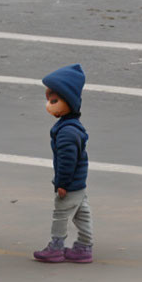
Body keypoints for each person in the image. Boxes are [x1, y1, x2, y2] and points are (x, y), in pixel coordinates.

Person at [33, 63, 94, 263]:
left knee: (60, 214)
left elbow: (66, 161)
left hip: (70, 183)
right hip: (80, 183)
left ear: (69, 101)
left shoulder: (66, 132)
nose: (49, 105)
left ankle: (56, 247)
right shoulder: (72, 126)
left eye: (54, 100)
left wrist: (61, 184)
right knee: (82, 214)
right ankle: (85, 246)